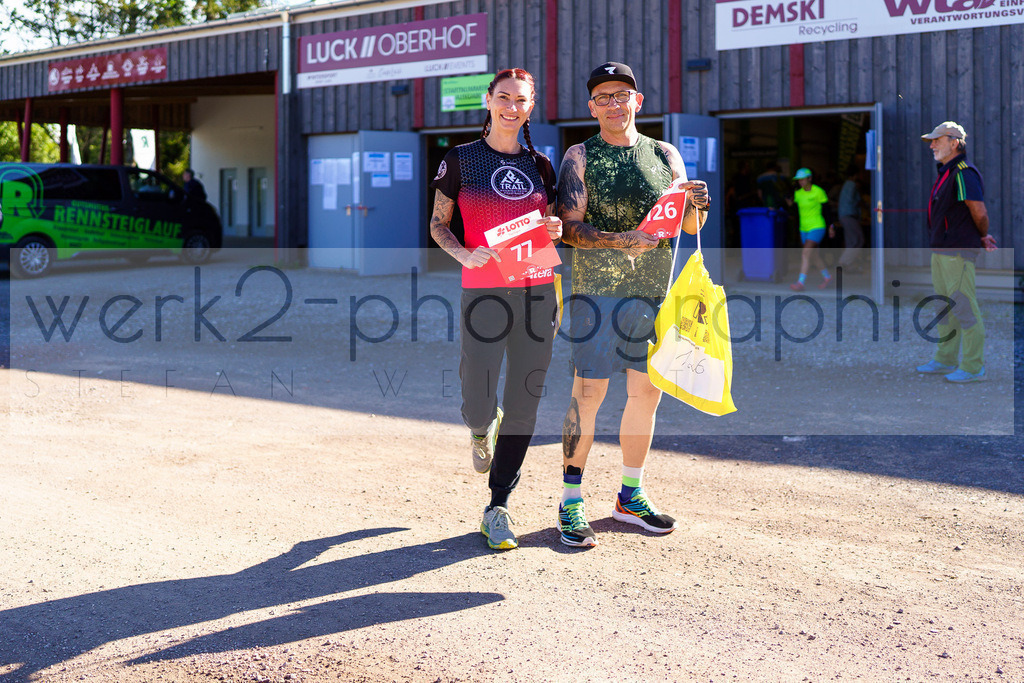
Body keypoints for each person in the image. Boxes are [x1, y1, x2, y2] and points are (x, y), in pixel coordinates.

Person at [555, 62, 709, 547]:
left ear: (637, 101)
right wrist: (624, 239)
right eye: (602, 97)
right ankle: (570, 501)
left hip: (653, 294)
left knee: (647, 395)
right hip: (595, 295)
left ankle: (629, 495)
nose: (613, 104)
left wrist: (698, 202)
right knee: (589, 396)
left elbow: (688, 227)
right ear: (591, 107)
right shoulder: (579, 155)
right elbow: (570, 227)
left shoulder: (665, 154)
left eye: (621, 94)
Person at [428, 68, 562, 550]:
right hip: (483, 292)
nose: (511, 106)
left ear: (531, 106)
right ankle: (481, 427)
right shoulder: (461, 159)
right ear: (488, 101)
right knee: (478, 394)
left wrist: (557, 232)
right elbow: (438, 224)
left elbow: (556, 226)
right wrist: (464, 253)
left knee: (526, 398)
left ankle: (498, 505)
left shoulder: (541, 166)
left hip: (538, 291)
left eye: (521, 99)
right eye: (503, 97)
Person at [915, 121, 996, 383]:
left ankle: (974, 367)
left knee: (964, 307)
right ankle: (945, 359)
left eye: (937, 140)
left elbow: (979, 212)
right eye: (932, 140)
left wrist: (983, 235)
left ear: (955, 143)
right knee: (944, 308)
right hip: (941, 251)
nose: (932, 145)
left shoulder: (963, 172)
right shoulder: (947, 173)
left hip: (957, 252)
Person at [788, 167, 834, 291]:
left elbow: (827, 210)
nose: (801, 182)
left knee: (805, 253)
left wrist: (831, 226)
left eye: (803, 179)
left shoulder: (818, 191)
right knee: (813, 256)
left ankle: (800, 283)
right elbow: (794, 211)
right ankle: (827, 277)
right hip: (804, 228)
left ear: (810, 178)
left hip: (817, 226)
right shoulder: (798, 194)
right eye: (799, 180)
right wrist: (789, 204)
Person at [835, 165, 865, 272]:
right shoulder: (852, 185)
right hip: (849, 215)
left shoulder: (845, 185)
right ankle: (843, 262)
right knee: (858, 240)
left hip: (843, 215)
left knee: (850, 241)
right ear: (856, 174)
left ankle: (849, 265)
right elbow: (852, 201)